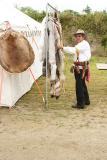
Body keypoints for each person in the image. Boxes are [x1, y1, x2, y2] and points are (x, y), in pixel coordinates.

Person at [61, 29, 91, 109]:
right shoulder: (81, 44)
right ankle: (86, 100)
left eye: (79, 36)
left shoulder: (83, 44)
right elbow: (75, 51)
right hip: (81, 67)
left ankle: (80, 103)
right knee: (82, 84)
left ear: (83, 37)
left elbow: (73, 50)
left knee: (79, 85)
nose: (77, 37)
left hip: (81, 68)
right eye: (77, 36)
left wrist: (62, 48)